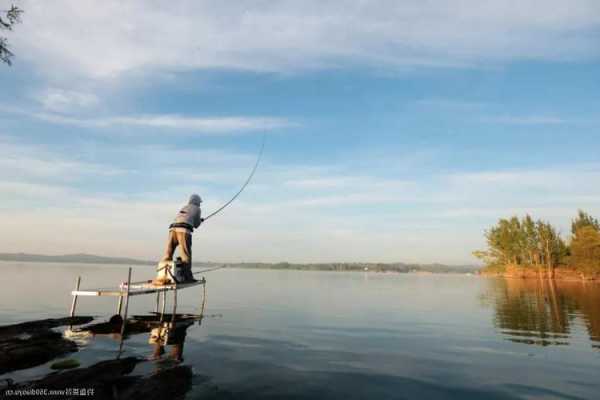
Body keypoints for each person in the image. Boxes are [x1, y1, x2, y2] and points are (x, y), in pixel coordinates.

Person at [156, 194, 204, 284]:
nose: (200, 204)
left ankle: (162, 276)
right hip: (184, 231)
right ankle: (187, 277)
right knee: (185, 255)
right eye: (199, 202)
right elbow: (196, 225)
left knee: (168, 254)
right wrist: (200, 221)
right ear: (196, 201)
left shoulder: (185, 207)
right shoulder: (197, 209)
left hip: (172, 229)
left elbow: (184, 217)